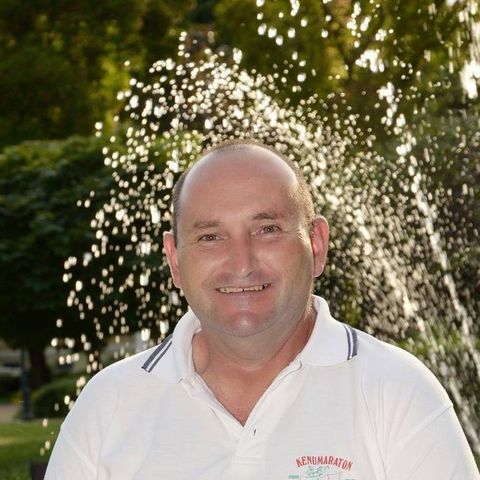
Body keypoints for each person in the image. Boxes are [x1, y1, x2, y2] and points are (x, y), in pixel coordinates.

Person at [45, 140, 479, 479]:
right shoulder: (107, 406)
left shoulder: (397, 391)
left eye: (267, 229)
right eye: (210, 237)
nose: (242, 262)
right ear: (175, 259)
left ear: (317, 244)